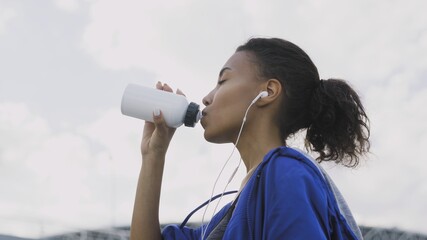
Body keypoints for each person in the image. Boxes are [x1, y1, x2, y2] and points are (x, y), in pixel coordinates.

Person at [130, 38, 370, 240]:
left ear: (268, 92)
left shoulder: (286, 172)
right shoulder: (226, 219)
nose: (206, 98)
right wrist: (153, 155)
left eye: (223, 81)